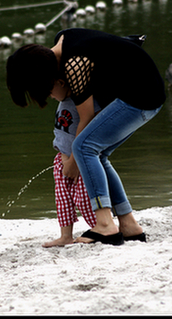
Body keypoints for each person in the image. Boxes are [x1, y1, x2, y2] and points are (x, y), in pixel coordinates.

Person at [6, 28, 166, 245]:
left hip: (139, 96)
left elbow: (86, 115)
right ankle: (128, 225)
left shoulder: (74, 64)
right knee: (96, 153)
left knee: (84, 147)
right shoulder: (63, 38)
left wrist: (72, 161)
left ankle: (105, 225)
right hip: (146, 92)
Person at [43, 92, 100, 248]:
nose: (50, 95)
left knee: (83, 198)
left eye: (51, 89)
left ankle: (99, 226)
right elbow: (62, 134)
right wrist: (64, 158)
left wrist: (74, 160)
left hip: (80, 159)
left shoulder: (83, 100)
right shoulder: (63, 102)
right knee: (63, 199)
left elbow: (94, 121)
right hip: (61, 158)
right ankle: (65, 236)